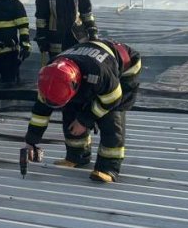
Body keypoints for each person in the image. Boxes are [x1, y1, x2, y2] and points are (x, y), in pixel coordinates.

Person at [21, 36, 142, 183]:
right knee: (71, 111)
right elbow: (40, 114)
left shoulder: (98, 73)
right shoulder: (50, 76)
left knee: (111, 116)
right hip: (86, 66)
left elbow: (113, 98)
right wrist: (31, 141)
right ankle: (77, 157)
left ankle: (109, 168)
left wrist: (85, 120)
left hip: (124, 68)